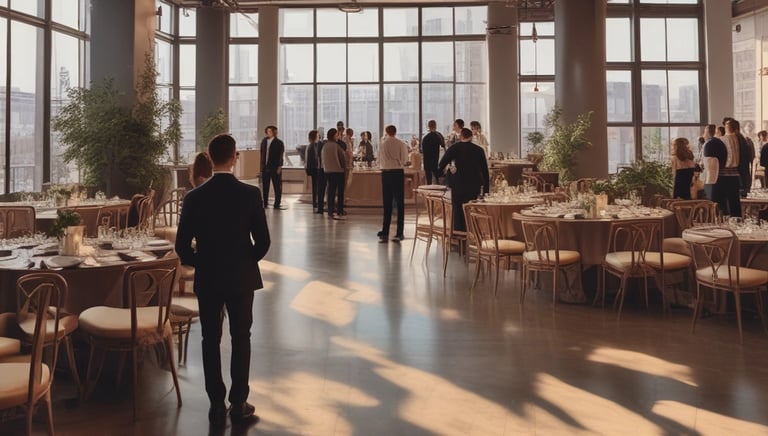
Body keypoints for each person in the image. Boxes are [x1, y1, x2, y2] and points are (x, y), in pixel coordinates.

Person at [175, 133, 270, 427]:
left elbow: (181, 247)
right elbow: (263, 242)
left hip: (209, 277)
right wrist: (242, 260)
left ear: (209, 156)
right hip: (241, 277)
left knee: (209, 338)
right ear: (234, 157)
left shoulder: (194, 197)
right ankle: (239, 401)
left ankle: (216, 402)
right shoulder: (250, 194)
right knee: (241, 337)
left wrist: (204, 262)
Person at [438, 128, 490, 232]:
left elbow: (441, 164)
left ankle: (459, 234)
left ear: (461, 136)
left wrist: (450, 167)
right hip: (474, 185)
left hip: (458, 184)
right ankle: (472, 232)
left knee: (458, 210)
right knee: (471, 209)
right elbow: (485, 170)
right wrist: (486, 189)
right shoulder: (479, 150)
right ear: (471, 137)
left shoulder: (454, 148)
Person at [377, 124, 409, 243]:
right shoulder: (401, 143)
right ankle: (399, 232)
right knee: (400, 202)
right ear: (395, 132)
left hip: (386, 173)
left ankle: (385, 231)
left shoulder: (383, 144)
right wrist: (399, 162)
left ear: (386, 132)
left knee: (387, 202)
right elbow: (405, 159)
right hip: (397, 172)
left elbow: (380, 159)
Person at [321, 128, 346, 220]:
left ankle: (330, 210)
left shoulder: (324, 146)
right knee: (340, 192)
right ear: (334, 136)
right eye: (336, 135)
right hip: (338, 171)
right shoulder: (336, 146)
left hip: (328, 171)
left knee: (330, 191)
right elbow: (342, 159)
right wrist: (343, 168)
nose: (338, 137)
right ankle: (340, 210)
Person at [259, 125, 286, 209]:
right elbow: (262, 154)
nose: (268, 133)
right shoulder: (264, 141)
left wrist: (279, 167)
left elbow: (281, 156)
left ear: (274, 132)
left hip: (275, 167)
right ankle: (265, 203)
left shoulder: (279, 143)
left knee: (277, 186)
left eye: (270, 131)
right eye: (267, 131)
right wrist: (261, 167)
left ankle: (277, 204)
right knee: (265, 186)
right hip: (265, 167)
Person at [421, 120, 445, 185]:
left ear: (428, 126)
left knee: (429, 177)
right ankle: (437, 187)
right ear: (436, 126)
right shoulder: (439, 135)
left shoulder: (425, 137)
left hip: (427, 159)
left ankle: (429, 187)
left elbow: (422, 149)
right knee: (436, 175)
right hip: (436, 158)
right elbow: (443, 146)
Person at [305, 130, 321, 212]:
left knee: (316, 186)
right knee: (316, 186)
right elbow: (313, 159)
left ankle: (316, 201)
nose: (319, 137)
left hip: (313, 168)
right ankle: (315, 202)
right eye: (318, 135)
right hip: (315, 169)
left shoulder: (311, 145)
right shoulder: (313, 146)